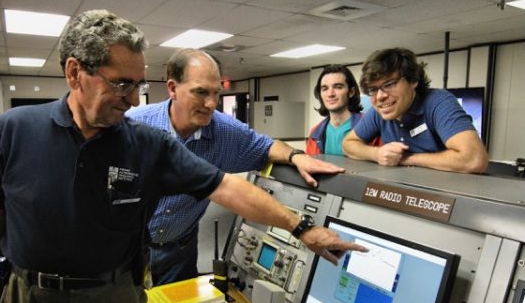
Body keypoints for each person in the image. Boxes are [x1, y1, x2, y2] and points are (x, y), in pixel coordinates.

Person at [0, 10, 367, 303]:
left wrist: (301, 228)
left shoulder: (146, 143)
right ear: (74, 73)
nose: (133, 100)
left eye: (137, 85)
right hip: (28, 299)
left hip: (112, 299)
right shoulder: (15, 129)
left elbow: (226, 186)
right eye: (121, 84)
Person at [127, 49, 346, 286]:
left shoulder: (223, 131)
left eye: (216, 93)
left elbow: (264, 147)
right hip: (128, 246)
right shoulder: (134, 125)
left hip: (179, 249)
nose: (211, 104)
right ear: (172, 88)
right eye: (200, 92)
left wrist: (295, 157)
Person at [343, 47, 488, 174]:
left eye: (389, 84)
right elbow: (348, 144)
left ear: (413, 80)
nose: (380, 96)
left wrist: (408, 159)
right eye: (373, 89)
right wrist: (377, 154)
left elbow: (474, 159)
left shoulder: (438, 102)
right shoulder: (380, 112)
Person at [306, 64, 364, 156]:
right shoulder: (314, 133)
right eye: (324, 89)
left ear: (351, 92)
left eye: (338, 87)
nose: (330, 94)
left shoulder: (369, 126)